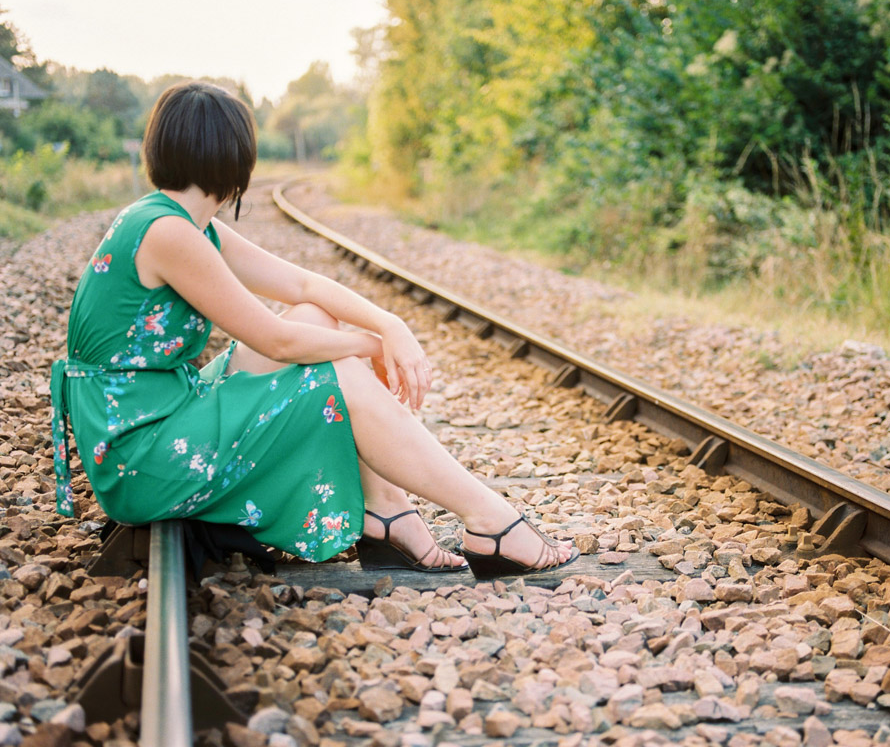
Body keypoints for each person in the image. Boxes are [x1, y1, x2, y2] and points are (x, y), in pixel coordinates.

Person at [50, 81, 578, 578]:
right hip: (140, 452)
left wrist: (388, 323)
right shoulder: (169, 234)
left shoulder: (187, 224)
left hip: (159, 411)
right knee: (338, 370)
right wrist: (368, 345)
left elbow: (301, 286)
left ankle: (387, 511)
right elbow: (274, 342)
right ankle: (489, 520)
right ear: (237, 157)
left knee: (316, 319)